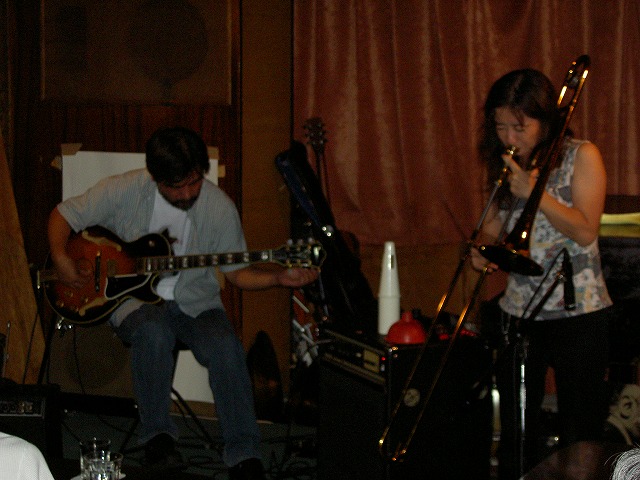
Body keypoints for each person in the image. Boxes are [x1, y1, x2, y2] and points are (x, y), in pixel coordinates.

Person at [47, 126, 319, 479]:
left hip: (196, 302)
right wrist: (61, 258)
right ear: (156, 178)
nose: (189, 193)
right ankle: (157, 440)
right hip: (129, 301)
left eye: (194, 182)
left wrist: (278, 278)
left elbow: (238, 274)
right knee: (154, 332)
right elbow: (63, 215)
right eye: (177, 187)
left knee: (226, 347)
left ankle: (245, 454)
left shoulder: (219, 208)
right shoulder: (124, 189)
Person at [471, 69, 613, 479]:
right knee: (516, 432)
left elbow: (585, 230)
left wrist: (536, 193)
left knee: (580, 431)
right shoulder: (509, 163)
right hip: (521, 310)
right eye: (501, 127)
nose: (509, 137)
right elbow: (492, 226)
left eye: (520, 127)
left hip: (580, 311)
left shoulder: (582, 155)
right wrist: (483, 250)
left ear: (545, 121)